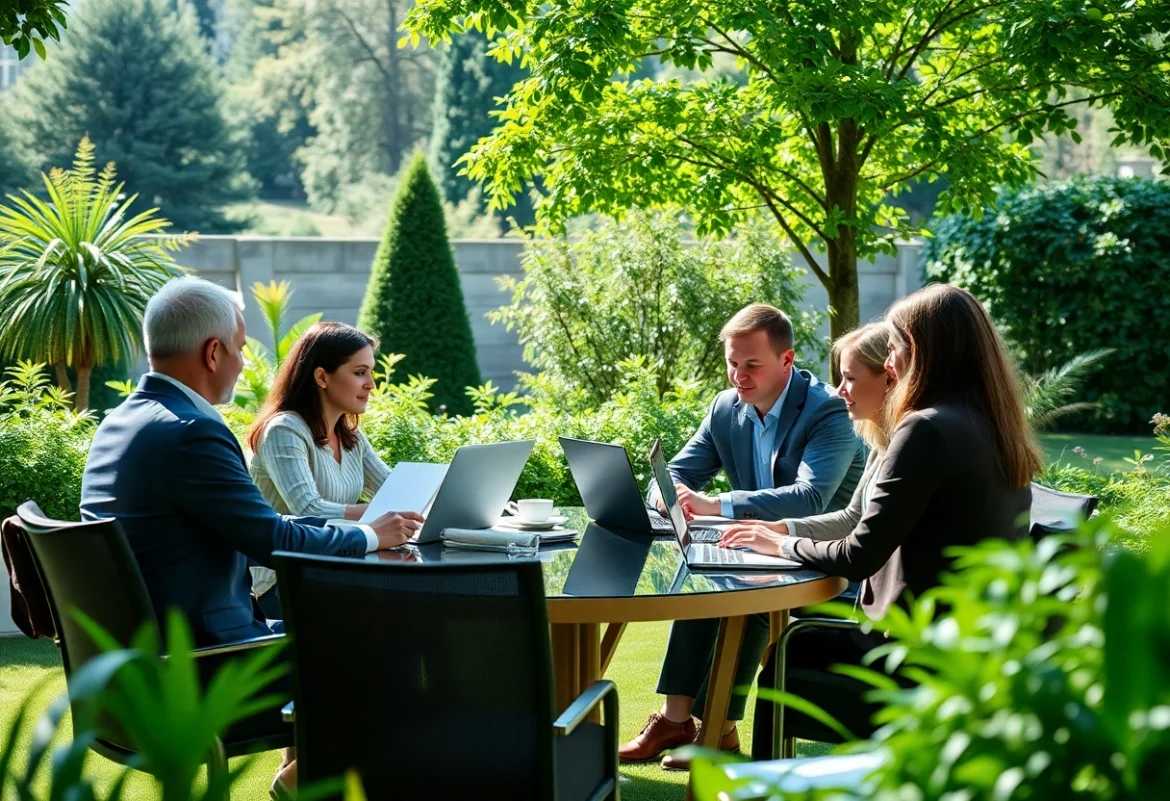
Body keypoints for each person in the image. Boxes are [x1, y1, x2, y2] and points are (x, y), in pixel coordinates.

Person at [79, 277, 423, 796]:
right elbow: (272, 538)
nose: (244, 361)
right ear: (213, 352)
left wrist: (367, 532)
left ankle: (302, 783)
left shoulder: (122, 422)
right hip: (199, 670)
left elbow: (266, 527)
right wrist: (369, 537)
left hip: (132, 673)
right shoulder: (192, 430)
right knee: (391, 654)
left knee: (349, 631)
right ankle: (299, 784)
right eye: (240, 348)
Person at [720, 283, 1043, 759]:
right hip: (970, 651)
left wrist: (780, 545)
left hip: (909, 659)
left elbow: (859, 553)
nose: (889, 365)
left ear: (920, 351)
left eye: (892, 349)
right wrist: (784, 532)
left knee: (786, 656)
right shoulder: (994, 425)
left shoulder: (925, 429)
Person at [620, 303, 866, 767]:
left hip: (823, 561)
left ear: (787, 360)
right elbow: (672, 472)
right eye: (732, 363)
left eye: (751, 364)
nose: (738, 375)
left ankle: (719, 728)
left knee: (746, 595)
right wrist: (665, 494)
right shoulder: (725, 408)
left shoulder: (830, 410)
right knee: (701, 575)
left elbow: (810, 497)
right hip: (759, 552)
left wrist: (717, 505)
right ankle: (677, 721)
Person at [246, 322, 406, 604]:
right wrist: (381, 515)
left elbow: (391, 486)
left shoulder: (349, 434)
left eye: (371, 373)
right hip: (285, 584)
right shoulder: (283, 430)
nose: (371, 384)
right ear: (322, 377)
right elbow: (309, 509)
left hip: (340, 569)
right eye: (359, 373)